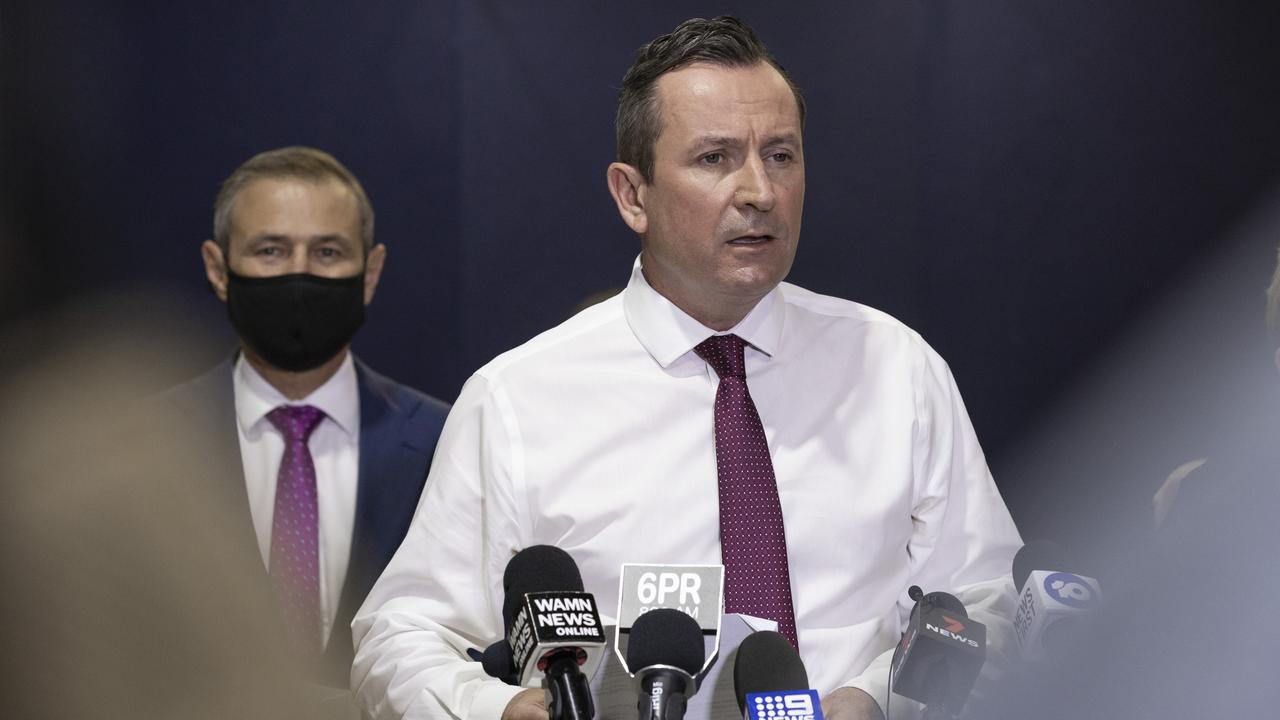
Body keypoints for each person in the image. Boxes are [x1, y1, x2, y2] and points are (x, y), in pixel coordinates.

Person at [352, 17, 1020, 720]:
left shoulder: (896, 368)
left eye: (782, 155)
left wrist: (874, 700)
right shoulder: (518, 399)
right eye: (715, 159)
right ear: (631, 195)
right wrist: (505, 712)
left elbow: (986, 601)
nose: (759, 190)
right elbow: (399, 637)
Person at [158, 146, 450, 686]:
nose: (299, 273)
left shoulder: (446, 442)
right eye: (270, 250)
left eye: (328, 252)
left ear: (370, 271)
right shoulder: (152, 445)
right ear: (218, 269)